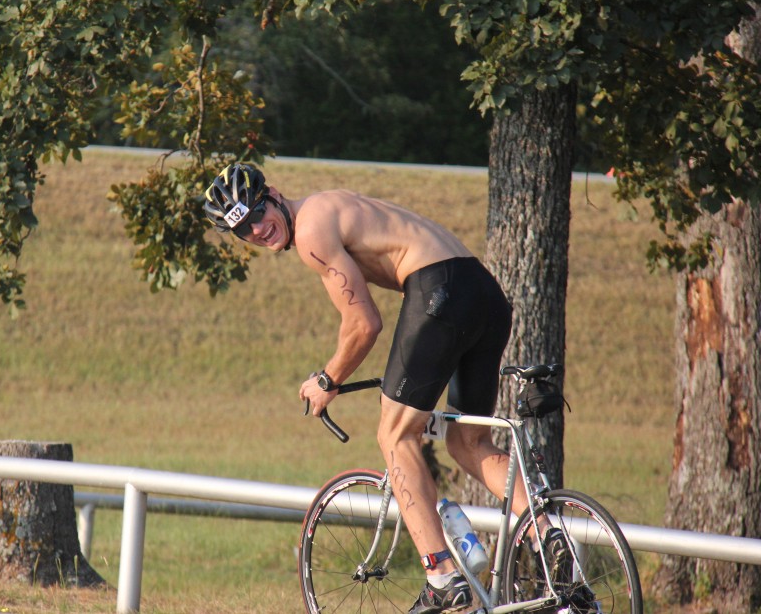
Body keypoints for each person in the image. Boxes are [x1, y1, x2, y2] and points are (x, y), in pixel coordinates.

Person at [203, 163, 565, 614]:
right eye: (242, 231)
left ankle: (441, 577)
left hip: (439, 289)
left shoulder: (312, 231)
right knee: (468, 442)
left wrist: (326, 379)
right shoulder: (329, 205)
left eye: (256, 214)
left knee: (395, 435)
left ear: (273, 194)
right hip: (484, 294)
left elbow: (363, 324)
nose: (256, 230)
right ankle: (546, 530)